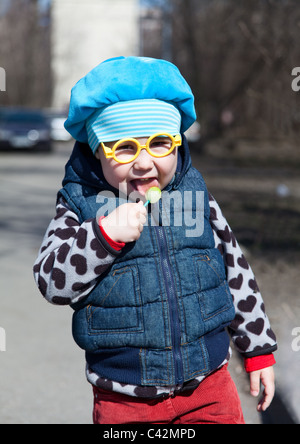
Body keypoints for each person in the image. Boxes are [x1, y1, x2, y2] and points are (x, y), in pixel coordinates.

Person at [33, 56, 277, 424]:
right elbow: (52, 282)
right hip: (124, 396)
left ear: (178, 143)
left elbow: (235, 270)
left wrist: (257, 349)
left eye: (160, 143)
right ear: (97, 150)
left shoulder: (194, 197)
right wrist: (103, 237)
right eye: (125, 147)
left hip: (209, 386)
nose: (145, 163)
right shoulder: (81, 205)